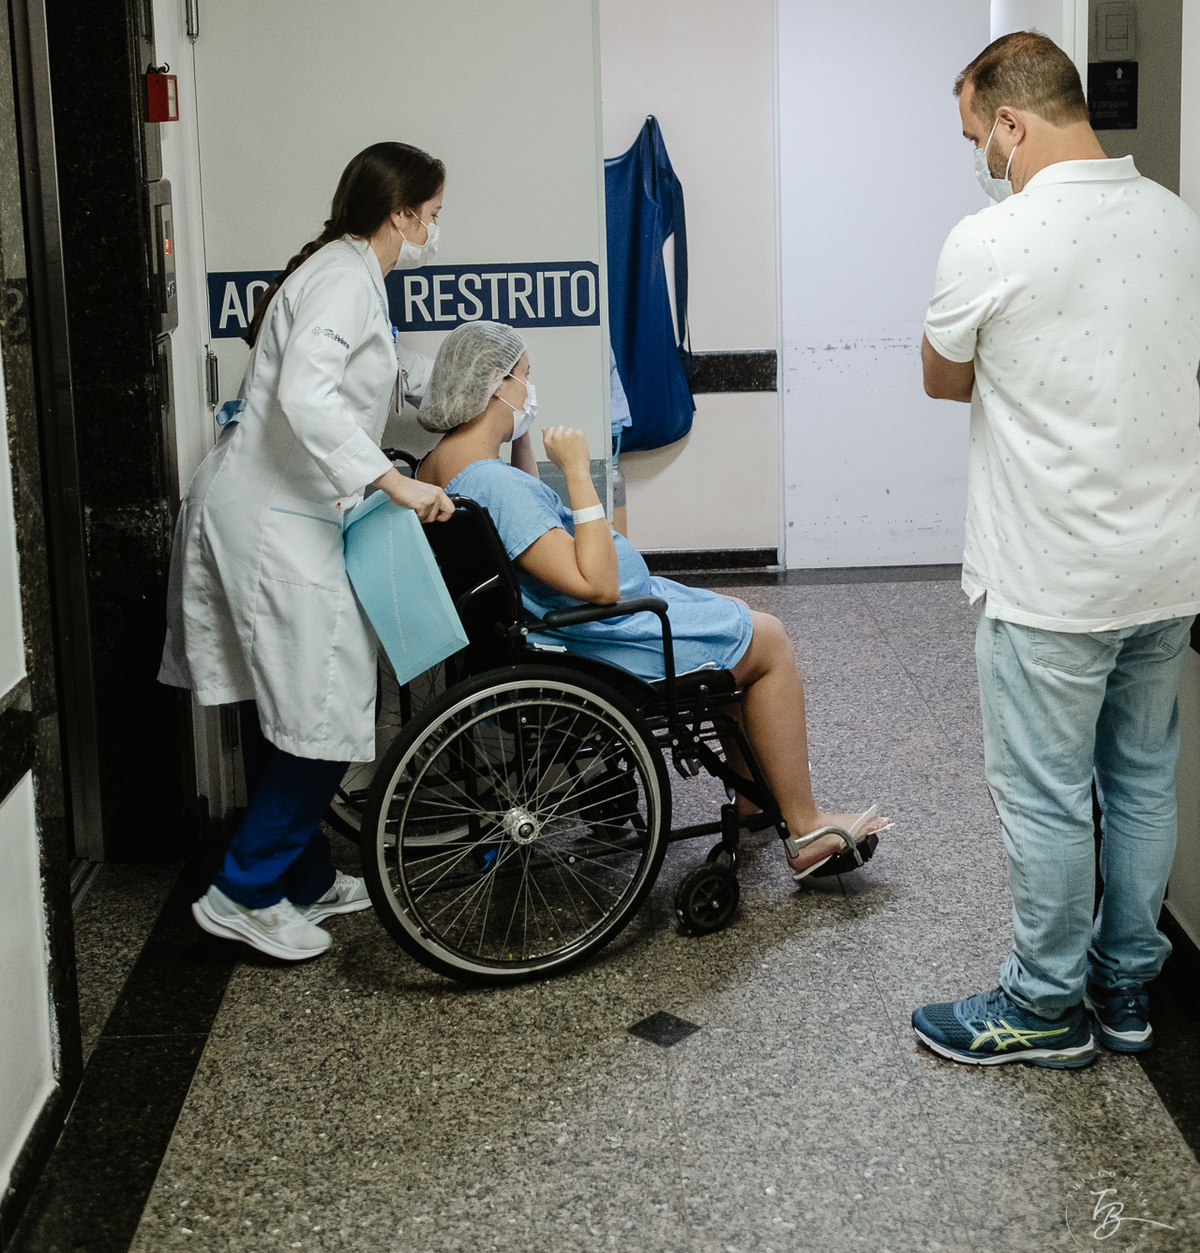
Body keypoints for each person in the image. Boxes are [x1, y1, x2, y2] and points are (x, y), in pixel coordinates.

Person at [912, 31, 1200, 1068]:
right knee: (1142, 782)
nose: (980, 157)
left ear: (1011, 121)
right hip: (1169, 566)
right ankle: (1126, 989)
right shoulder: (1178, 220)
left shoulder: (991, 237)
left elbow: (944, 381)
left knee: (1043, 794)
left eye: (976, 136)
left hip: (1052, 577)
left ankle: (1040, 1004)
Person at [416, 320, 889, 878]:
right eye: (525, 379)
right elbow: (599, 585)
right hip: (595, 631)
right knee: (768, 640)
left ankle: (757, 801)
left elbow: (525, 520)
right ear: (495, 386)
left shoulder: (444, 466)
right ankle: (806, 827)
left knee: (730, 629)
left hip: (544, 627)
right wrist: (577, 472)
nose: (530, 393)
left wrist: (513, 434)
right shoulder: (498, 485)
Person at [160, 142, 456, 962]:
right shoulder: (341, 275)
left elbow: (359, 382)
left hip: (275, 511)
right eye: (432, 214)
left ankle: (302, 876)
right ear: (400, 213)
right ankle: (243, 891)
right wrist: (393, 485)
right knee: (324, 706)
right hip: (277, 524)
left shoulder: (350, 275)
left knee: (278, 703)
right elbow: (304, 394)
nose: (437, 228)